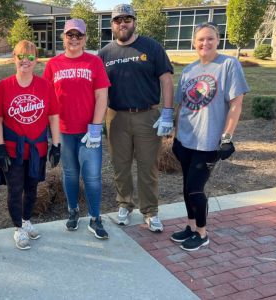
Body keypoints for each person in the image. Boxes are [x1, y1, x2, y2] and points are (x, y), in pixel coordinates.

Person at [170, 22, 249, 251]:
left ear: (218, 40)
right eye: (201, 39)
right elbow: (181, 107)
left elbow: (236, 104)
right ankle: (191, 227)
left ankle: (203, 234)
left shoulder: (228, 65)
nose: (205, 43)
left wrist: (227, 137)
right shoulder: (188, 71)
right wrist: (175, 138)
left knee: (196, 188)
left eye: (210, 38)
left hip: (209, 141)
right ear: (194, 43)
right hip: (186, 139)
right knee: (186, 187)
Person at [98, 4, 174, 232]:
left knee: (147, 166)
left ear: (134, 22)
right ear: (112, 25)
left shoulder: (152, 47)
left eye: (127, 19)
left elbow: (166, 80)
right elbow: (98, 90)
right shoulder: (105, 54)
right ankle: (124, 204)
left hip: (147, 116)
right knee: (120, 165)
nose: (123, 23)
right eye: (118, 20)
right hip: (116, 117)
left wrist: (168, 112)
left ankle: (150, 211)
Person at [43, 19, 111, 239]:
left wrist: (96, 127)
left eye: (78, 35)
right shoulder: (53, 64)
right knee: (70, 174)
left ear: (85, 38)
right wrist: (49, 132)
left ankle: (95, 217)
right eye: (69, 35)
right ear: (63, 37)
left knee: (92, 176)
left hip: (88, 131)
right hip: (63, 131)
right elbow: (46, 97)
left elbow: (102, 95)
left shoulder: (94, 62)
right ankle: (73, 211)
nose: (74, 39)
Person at [0, 40, 60, 250]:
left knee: (31, 188)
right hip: (13, 150)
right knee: (15, 189)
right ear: (14, 58)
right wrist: (0, 147)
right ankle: (18, 227)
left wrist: (56, 145)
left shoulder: (44, 86)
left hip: (36, 149)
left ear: (36, 60)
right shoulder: (4, 86)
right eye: (21, 56)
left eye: (30, 57)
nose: (25, 61)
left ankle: (27, 220)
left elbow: (53, 116)